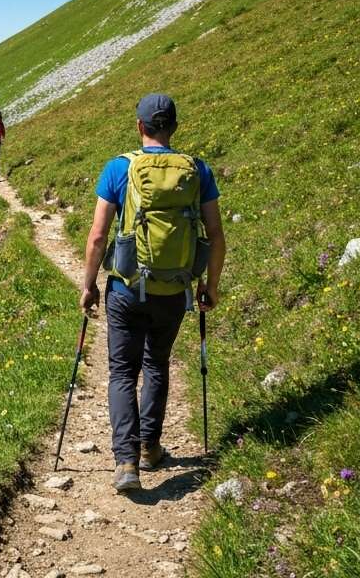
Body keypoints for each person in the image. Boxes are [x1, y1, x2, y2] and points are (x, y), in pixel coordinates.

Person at [79, 93, 226, 493]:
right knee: (156, 364)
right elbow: (215, 235)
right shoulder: (197, 170)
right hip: (174, 289)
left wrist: (90, 284)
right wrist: (209, 287)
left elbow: (97, 237)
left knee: (123, 371)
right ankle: (149, 448)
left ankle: (126, 463)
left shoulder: (118, 168)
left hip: (127, 287)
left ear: (140, 126)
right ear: (174, 127)